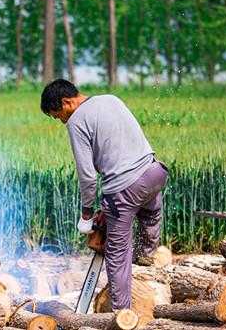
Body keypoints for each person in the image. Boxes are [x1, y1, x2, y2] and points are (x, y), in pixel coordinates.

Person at [40, 79, 168, 310]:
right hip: (154, 172)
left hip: (125, 188)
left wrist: (87, 213)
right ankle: (147, 255)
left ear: (66, 102)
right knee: (149, 214)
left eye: (57, 114)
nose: (60, 120)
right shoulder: (110, 99)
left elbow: (87, 176)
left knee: (117, 254)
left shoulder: (76, 121)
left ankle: (121, 314)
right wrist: (107, 206)